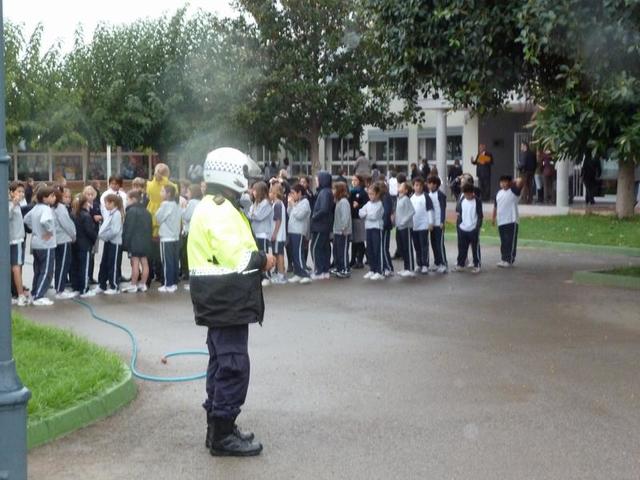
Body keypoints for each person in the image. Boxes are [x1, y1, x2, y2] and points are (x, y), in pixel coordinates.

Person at [188, 147, 274, 457]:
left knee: (220, 363)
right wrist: (266, 260)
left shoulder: (215, 205)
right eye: (243, 176)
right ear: (229, 173)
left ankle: (218, 429)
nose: (247, 183)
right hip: (226, 298)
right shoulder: (220, 209)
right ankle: (223, 434)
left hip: (220, 298)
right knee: (233, 365)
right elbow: (239, 259)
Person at [24, 186, 57, 306]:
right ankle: (39, 296)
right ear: (44, 198)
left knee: (38, 270)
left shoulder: (36, 208)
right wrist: (49, 231)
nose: (54, 198)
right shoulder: (46, 209)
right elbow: (45, 221)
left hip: (36, 243)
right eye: (52, 196)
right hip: (46, 245)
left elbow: (26, 219)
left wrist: (35, 230)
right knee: (47, 271)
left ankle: (35, 292)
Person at [147, 163, 177, 286]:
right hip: (169, 220)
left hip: (152, 214)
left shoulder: (149, 185)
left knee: (152, 250)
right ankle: (165, 277)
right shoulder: (172, 186)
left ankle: (151, 274)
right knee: (167, 254)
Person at [122, 190, 153, 293]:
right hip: (146, 241)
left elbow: (128, 228)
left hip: (134, 241)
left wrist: (125, 243)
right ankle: (143, 284)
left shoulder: (131, 211)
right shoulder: (147, 212)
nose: (127, 201)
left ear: (133, 199)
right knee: (145, 262)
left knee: (135, 262)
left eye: (128, 199)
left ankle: (133, 284)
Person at [71, 194, 98, 298]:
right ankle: (84, 289)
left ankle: (76, 287)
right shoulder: (86, 216)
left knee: (76, 266)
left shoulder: (73, 214)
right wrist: (94, 238)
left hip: (75, 244)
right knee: (84, 267)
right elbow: (89, 231)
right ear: (85, 203)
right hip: (84, 245)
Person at [492, 175, 523, 268]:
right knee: (503, 241)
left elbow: (521, 181)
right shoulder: (498, 193)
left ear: (509, 182)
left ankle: (509, 259)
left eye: (505, 182)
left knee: (510, 241)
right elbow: (495, 206)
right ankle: (503, 258)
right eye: (501, 182)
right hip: (501, 221)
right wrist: (493, 218)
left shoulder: (514, 191)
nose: (503, 184)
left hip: (511, 220)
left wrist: (512, 181)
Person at [156, 184, 182, 293]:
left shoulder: (165, 204)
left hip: (166, 237)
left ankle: (168, 283)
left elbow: (158, 218)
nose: (160, 193)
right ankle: (174, 282)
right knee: (174, 260)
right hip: (175, 236)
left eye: (162, 191)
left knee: (167, 262)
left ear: (168, 194)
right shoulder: (176, 204)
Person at [52, 187, 77, 299]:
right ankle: (60, 290)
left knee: (60, 264)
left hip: (56, 239)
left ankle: (59, 286)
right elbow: (66, 223)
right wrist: (73, 234)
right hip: (63, 239)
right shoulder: (60, 208)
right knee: (63, 263)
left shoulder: (52, 207)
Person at [97, 194, 124, 294]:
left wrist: (104, 236)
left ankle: (114, 286)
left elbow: (115, 231)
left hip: (115, 243)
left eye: (106, 203)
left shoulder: (117, 214)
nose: (105, 205)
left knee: (113, 264)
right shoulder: (110, 213)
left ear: (113, 203)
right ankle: (102, 284)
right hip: (109, 242)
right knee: (104, 263)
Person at [454, 183, 483, 274]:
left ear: (472, 193)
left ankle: (477, 264)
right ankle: (461, 264)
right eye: (465, 194)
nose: (467, 196)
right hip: (463, 228)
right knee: (462, 247)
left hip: (473, 228)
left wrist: (477, 227)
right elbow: (459, 211)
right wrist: (459, 225)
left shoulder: (477, 201)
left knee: (475, 248)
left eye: (469, 194)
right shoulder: (462, 199)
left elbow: (480, 216)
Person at [310, 171, 334, 280]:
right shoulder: (326, 191)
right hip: (324, 225)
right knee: (324, 248)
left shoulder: (324, 192)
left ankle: (319, 271)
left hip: (320, 225)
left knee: (316, 248)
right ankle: (324, 270)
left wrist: (314, 216)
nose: (316, 181)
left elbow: (324, 209)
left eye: (317, 179)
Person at [249, 181, 273, 286]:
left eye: (255, 190)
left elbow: (258, 216)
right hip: (255, 233)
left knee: (264, 255)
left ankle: (266, 276)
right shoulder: (255, 203)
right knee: (257, 256)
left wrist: (251, 214)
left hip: (263, 233)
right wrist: (251, 214)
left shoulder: (266, 203)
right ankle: (260, 276)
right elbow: (251, 214)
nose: (253, 192)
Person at [9, 182, 29, 306]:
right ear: (11, 192)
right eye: (18, 191)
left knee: (16, 267)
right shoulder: (11, 203)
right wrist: (14, 203)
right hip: (14, 240)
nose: (21, 194)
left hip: (18, 238)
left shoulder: (19, 203)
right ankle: (20, 295)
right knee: (16, 267)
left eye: (22, 191)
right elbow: (6, 217)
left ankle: (15, 292)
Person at [287, 184, 312, 284]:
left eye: (293, 193)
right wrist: (290, 205)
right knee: (294, 253)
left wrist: (293, 205)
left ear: (299, 193)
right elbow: (290, 213)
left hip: (299, 231)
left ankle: (305, 274)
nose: (292, 195)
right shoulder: (297, 202)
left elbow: (299, 216)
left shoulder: (305, 203)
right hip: (292, 230)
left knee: (298, 253)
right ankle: (298, 273)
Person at [359, 182, 384, 280]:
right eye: (369, 194)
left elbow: (374, 216)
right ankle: (372, 270)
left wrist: (366, 214)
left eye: (372, 194)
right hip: (368, 228)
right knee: (370, 250)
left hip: (376, 229)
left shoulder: (380, 204)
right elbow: (360, 212)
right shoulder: (368, 204)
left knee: (377, 249)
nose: (370, 196)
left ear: (377, 194)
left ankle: (379, 271)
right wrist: (366, 214)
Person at [181, 184, 203, 289]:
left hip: (189, 232)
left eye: (188, 192)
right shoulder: (201, 202)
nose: (186, 194)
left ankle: (192, 282)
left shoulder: (192, 203)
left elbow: (186, 216)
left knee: (189, 257)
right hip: (198, 232)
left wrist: (183, 209)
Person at [411, 177, 434, 274]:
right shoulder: (411, 198)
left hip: (423, 226)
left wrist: (430, 223)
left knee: (424, 245)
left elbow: (430, 210)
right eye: (416, 185)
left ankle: (425, 264)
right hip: (414, 226)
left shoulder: (426, 197)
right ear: (413, 186)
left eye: (420, 185)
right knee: (417, 246)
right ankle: (419, 264)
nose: (418, 187)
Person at [427, 176, 448, 273]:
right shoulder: (428, 194)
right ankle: (437, 262)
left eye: (431, 183)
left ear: (435, 184)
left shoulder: (440, 195)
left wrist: (442, 222)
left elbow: (443, 209)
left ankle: (443, 264)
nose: (429, 185)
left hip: (439, 224)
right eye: (428, 183)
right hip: (432, 224)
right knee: (434, 244)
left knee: (439, 244)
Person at [394, 181, 416, 278]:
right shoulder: (399, 199)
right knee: (402, 248)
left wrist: (403, 221)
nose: (399, 186)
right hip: (399, 227)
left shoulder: (406, 199)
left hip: (406, 227)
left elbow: (412, 211)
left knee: (407, 248)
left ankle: (410, 268)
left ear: (406, 190)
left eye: (401, 186)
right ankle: (406, 268)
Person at [332, 181, 352, 279]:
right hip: (337, 230)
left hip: (343, 231)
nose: (333, 191)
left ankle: (345, 269)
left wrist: (344, 228)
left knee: (343, 251)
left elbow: (345, 216)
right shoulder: (339, 201)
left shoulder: (344, 202)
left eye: (335, 189)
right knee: (337, 251)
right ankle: (339, 268)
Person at [269, 183, 287, 284]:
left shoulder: (277, 204)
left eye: (270, 192)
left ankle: (280, 275)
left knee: (279, 255)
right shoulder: (279, 204)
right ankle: (280, 273)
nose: (269, 194)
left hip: (278, 235)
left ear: (275, 193)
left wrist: (274, 234)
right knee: (278, 254)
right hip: (280, 235)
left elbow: (278, 220)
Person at [83, 185, 102, 285]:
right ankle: (85, 276)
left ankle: (90, 276)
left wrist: (100, 217)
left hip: (95, 232)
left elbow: (100, 214)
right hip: (86, 233)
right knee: (87, 255)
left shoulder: (96, 204)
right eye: (87, 194)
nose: (89, 196)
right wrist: (93, 217)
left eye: (91, 194)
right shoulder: (83, 205)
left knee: (92, 256)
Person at [349, 174, 368, 269]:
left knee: (359, 240)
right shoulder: (352, 191)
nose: (353, 182)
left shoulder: (362, 192)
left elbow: (366, 205)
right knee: (354, 240)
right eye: (352, 180)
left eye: (355, 180)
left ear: (359, 181)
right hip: (352, 217)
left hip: (359, 218)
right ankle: (352, 259)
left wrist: (359, 205)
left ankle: (359, 260)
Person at [379, 181, 394, 276]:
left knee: (384, 248)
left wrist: (383, 224)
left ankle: (388, 267)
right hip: (383, 225)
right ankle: (386, 267)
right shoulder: (383, 197)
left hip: (385, 226)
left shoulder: (386, 197)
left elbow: (387, 212)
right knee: (383, 247)